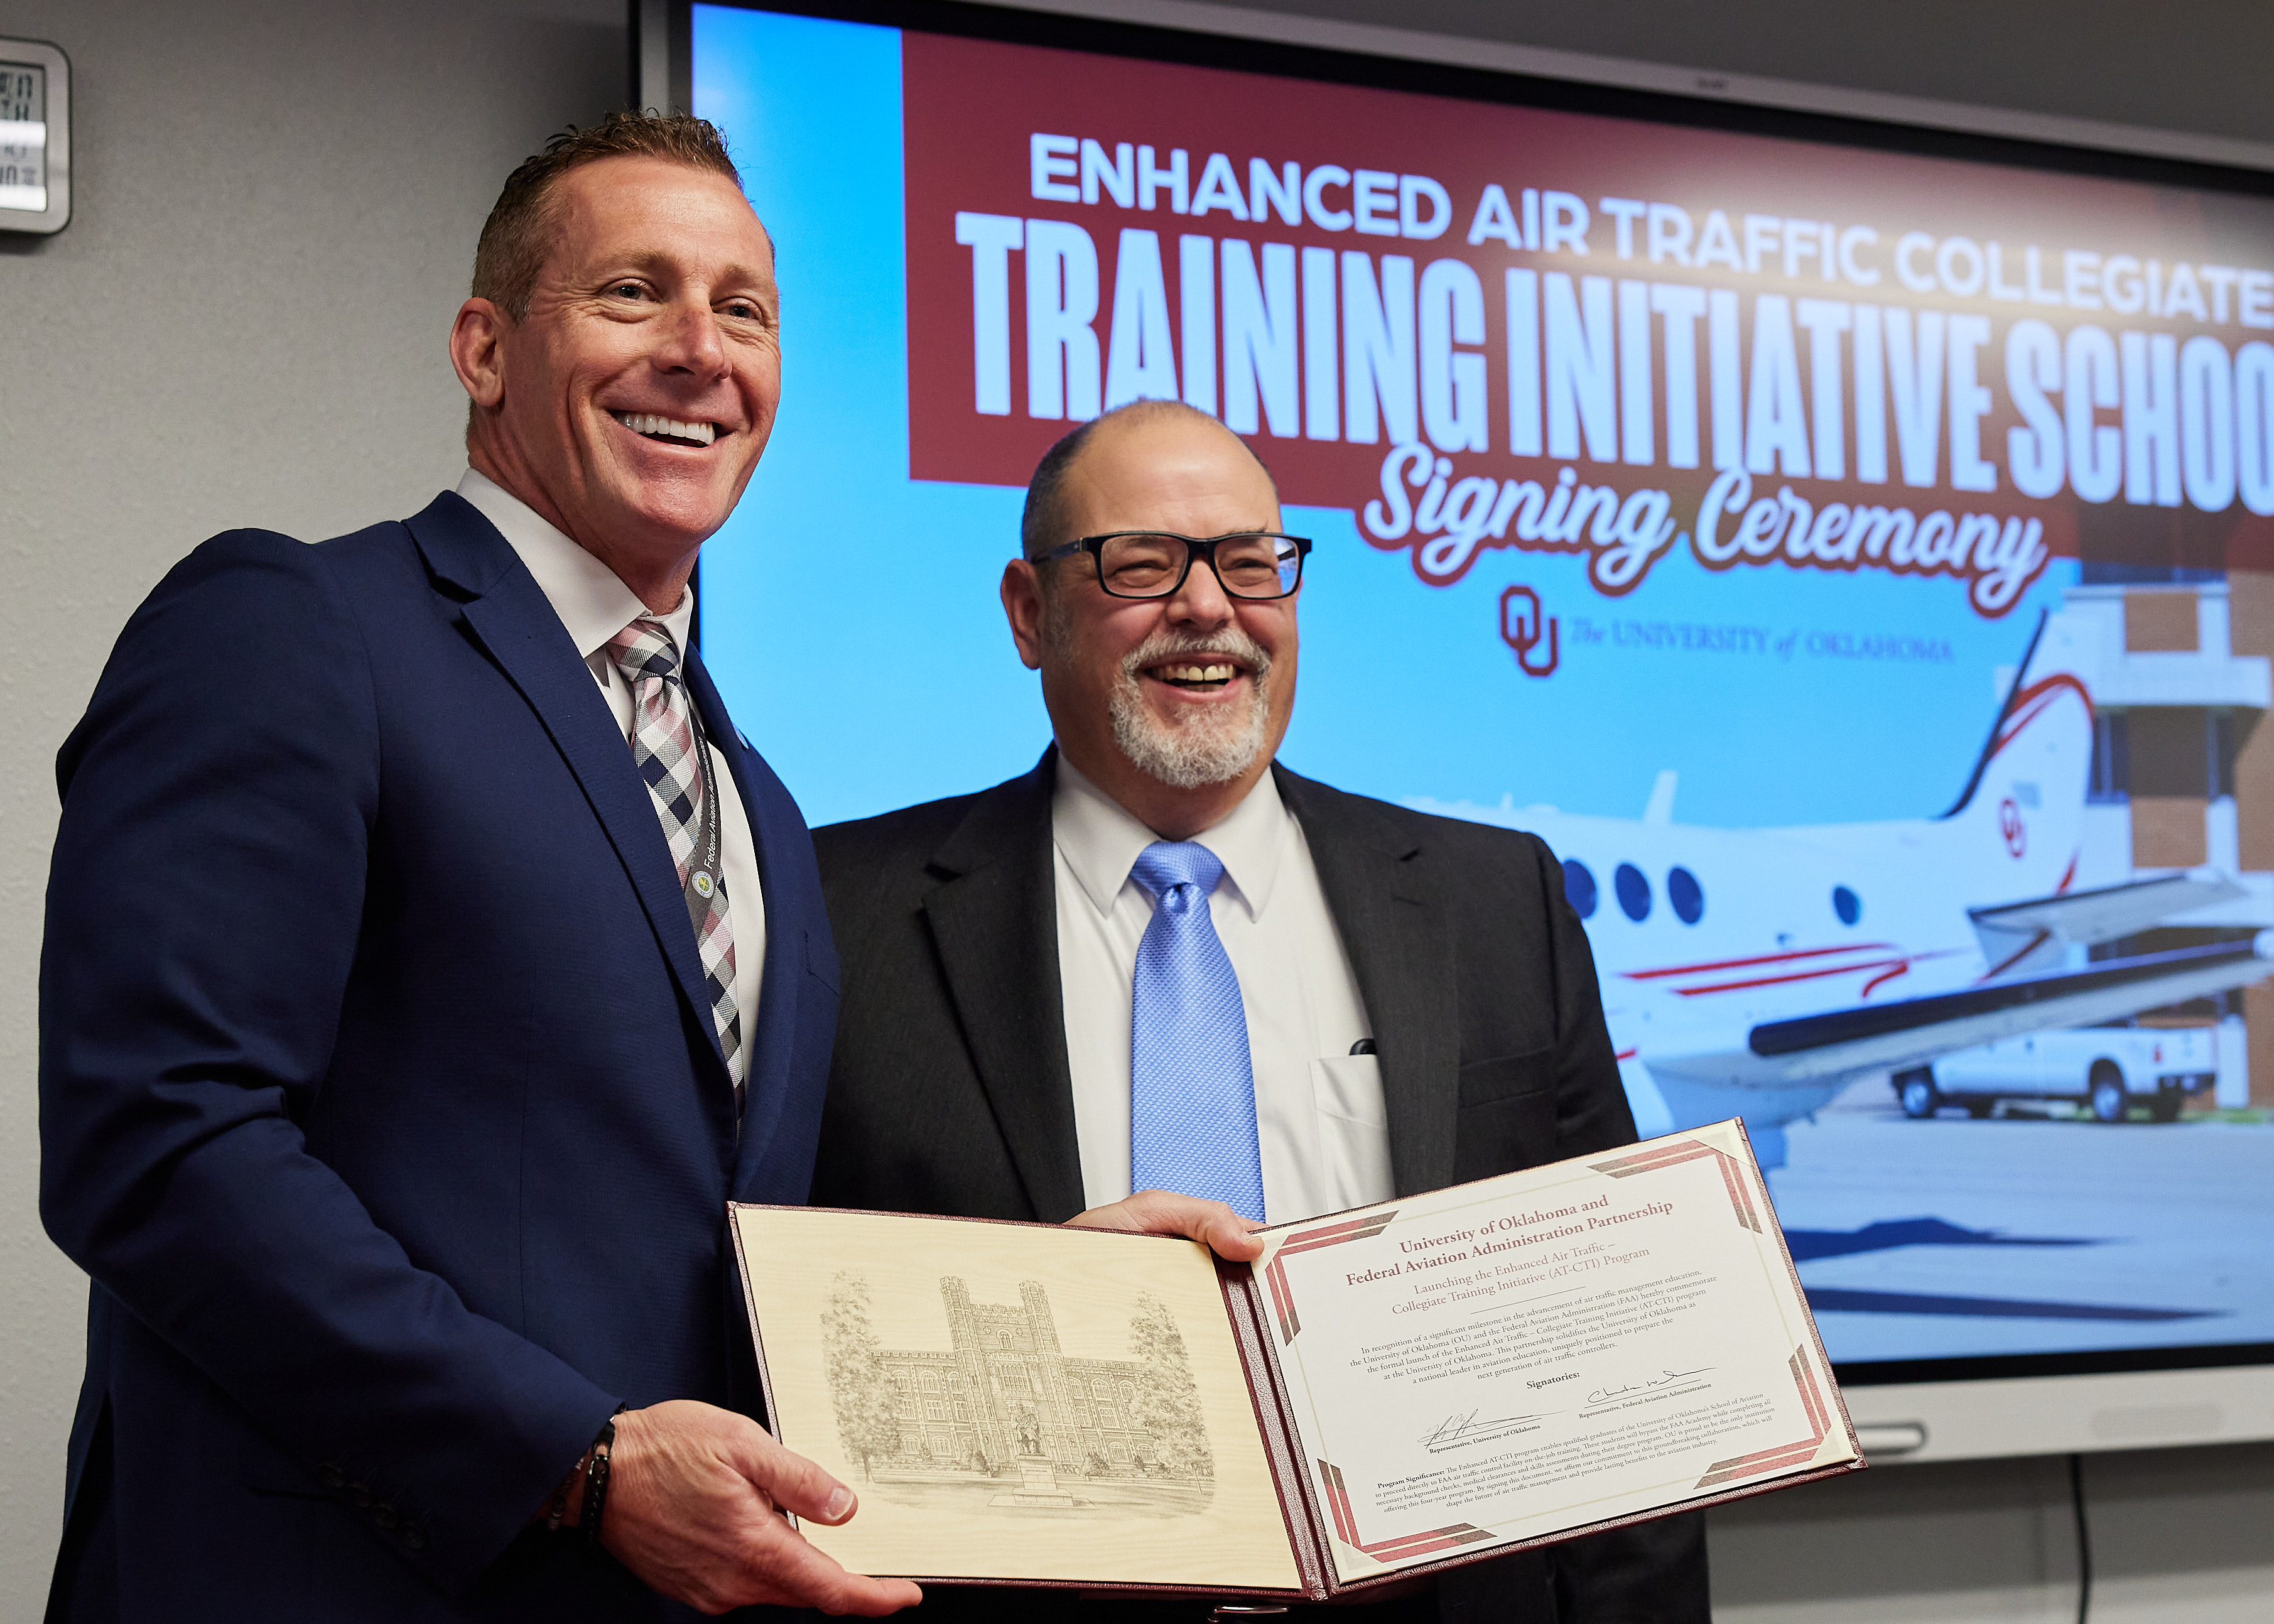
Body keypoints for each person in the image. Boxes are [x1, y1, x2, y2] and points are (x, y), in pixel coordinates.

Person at [36, 114, 929, 1621]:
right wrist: (571, 1461)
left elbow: (712, 1244)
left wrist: (1080, 1297)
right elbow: (159, 1144)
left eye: (743, 310)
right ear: (484, 349)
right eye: (632, 293)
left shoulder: (757, 800)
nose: (701, 352)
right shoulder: (297, 626)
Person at [808, 399, 1711, 1623]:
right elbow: (777, 1338)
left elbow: (1618, 1369)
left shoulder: (1490, 904)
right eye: (1140, 563)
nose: (1206, 608)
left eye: (1250, 563)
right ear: (1028, 612)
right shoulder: (832, 914)